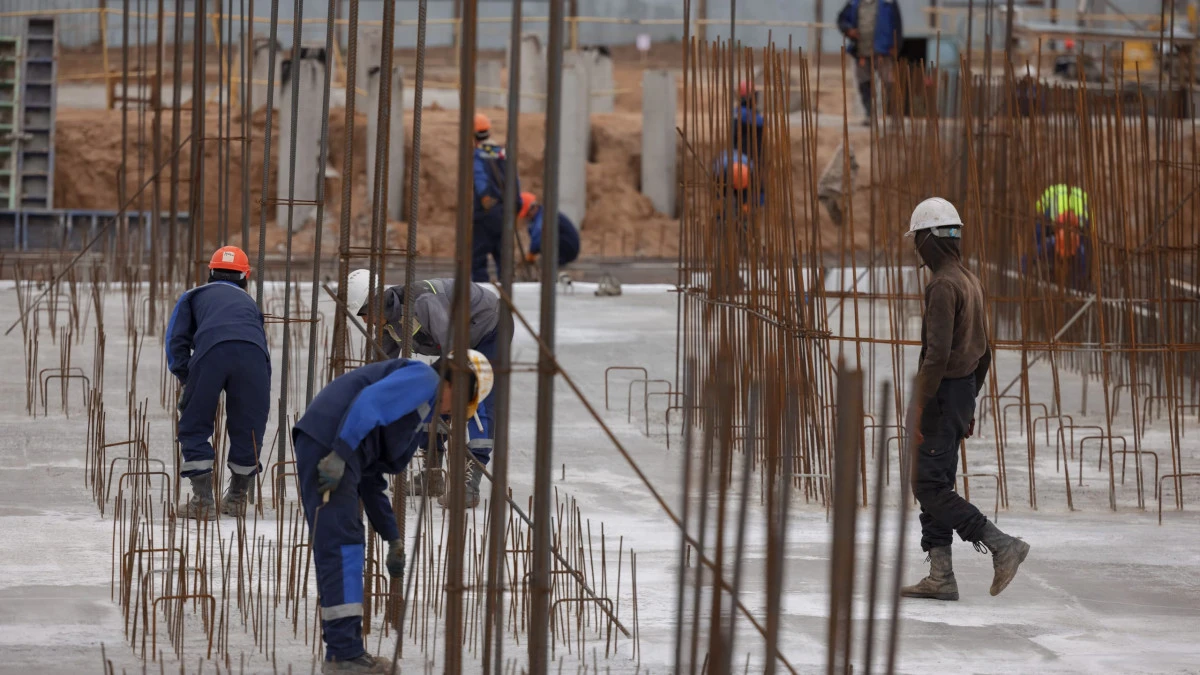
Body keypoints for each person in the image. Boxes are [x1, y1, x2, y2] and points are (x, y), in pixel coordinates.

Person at [293, 351, 493, 674]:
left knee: (345, 544)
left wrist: (392, 537)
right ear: (458, 386)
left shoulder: (415, 413)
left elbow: (372, 478)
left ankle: (344, 651)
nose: (453, 416)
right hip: (329, 443)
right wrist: (339, 455)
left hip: (337, 448)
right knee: (342, 545)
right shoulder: (424, 379)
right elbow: (368, 404)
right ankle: (343, 655)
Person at [901, 197, 1030, 601]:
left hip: (940, 396)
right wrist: (969, 401)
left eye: (918, 239)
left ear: (929, 240)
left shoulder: (942, 285)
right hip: (959, 394)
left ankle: (1000, 543)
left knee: (927, 484)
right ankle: (941, 576)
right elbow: (984, 352)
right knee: (934, 480)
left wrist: (918, 407)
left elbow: (936, 355)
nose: (916, 247)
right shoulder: (969, 280)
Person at [345, 272, 500, 508]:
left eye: (363, 314)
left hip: (488, 328)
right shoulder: (388, 323)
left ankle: (470, 484)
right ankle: (433, 474)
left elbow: (453, 348)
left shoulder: (422, 303)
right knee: (430, 395)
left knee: (476, 398)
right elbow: (380, 371)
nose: (365, 322)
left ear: (376, 302)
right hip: (456, 336)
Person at [166, 245, 271, 520]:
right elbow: (260, 343)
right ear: (245, 277)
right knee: (249, 426)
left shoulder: (193, 296)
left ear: (211, 272)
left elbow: (175, 341)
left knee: (195, 422)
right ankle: (237, 499)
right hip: (254, 357)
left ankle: (203, 501)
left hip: (211, 352)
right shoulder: (250, 304)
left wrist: (187, 377)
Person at [472, 112, 521, 282]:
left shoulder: (477, 155)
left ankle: (481, 298)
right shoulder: (501, 153)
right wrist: (517, 205)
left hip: (486, 213)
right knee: (504, 259)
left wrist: (485, 196)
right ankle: (507, 295)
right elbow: (514, 180)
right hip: (505, 212)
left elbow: (479, 177)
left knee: (477, 259)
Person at [837, 0, 904, 123]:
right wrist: (848, 30)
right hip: (861, 51)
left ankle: (894, 114)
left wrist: (896, 45)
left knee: (889, 82)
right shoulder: (854, 3)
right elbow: (841, 20)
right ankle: (869, 115)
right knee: (864, 83)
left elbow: (897, 24)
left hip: (883, 51)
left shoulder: (888, 3)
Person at [1033, 183, 1090, 287]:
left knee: (1040, 236)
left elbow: (1037, 208)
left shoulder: (1052, 192)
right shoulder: (1082, 197)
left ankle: (1035, 258)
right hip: (1058, 221)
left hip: (1070, 224)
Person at [518, 192, 581, 270]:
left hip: (568, 249)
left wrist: (531, 252)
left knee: (545, 239)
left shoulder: (544, 216)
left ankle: (554, 262)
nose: (527, 217)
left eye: (527, 214)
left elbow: (537, 237)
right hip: (565, 247)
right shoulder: (538, 218)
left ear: (534, 208)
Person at [732, 81, 765, 162]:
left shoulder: (738, 111)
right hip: (745, 159)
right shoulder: (744, 113)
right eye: (755, 95)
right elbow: (761, 122)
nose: (756, 98)